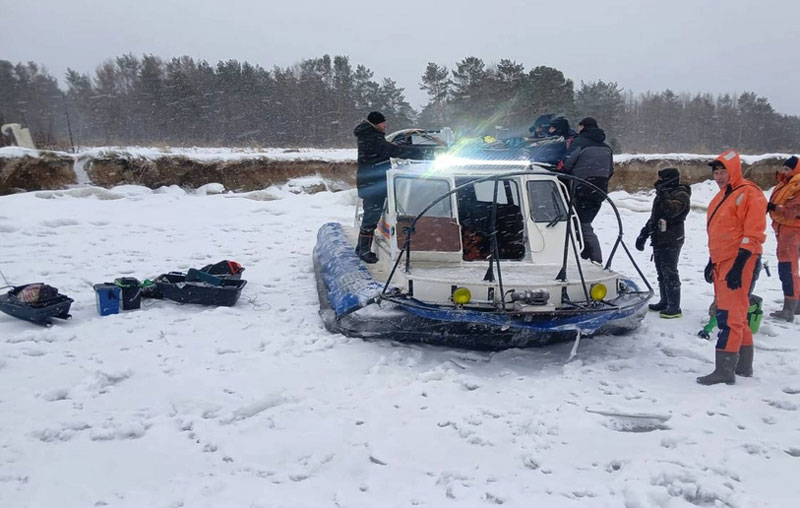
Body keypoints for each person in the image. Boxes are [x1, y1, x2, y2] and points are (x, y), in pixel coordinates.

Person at [698, 149, 766, 385]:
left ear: (733, 171)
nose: (718, 177)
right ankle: (743, 366)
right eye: (716, 173)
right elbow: (720, 232)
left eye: (723, 172)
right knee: (737, 315)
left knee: (728, 316)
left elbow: (754, 233)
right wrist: (712, 261)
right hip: (722, 260)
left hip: (740, 261)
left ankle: (724, 370)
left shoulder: (749, 193)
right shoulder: (722, 196)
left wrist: (739, 265)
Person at [353, 111, 421, 263]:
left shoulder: (370, 135)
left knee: (371, 215)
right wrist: (419, 153)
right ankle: (364, 251)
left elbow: (387, 148)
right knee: (371, 217)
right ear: (375, 124)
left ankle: (361, 247)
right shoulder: (372, 138)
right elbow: (391, 151)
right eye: (383, 123)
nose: (385, 125)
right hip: (373, 184)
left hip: (371, 183)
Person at [635, 167, 691, 318]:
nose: (658, 181)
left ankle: (674, 306)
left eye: (661, 178)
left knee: (670, 272)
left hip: (672, 238)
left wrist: (663, 194)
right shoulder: (662, 194)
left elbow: (671, 211)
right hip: (658, 237)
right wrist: (643, 234)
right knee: (661, 271)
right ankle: (664, 301)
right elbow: (655, 217)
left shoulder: (681, 194)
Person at [561, 117, 614, 263]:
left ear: (582, 127)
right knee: (585, 223)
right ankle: (586, 256)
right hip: (599, 190)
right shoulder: (606, 147)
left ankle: (593, 259)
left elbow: (567, 164)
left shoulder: (579, 143)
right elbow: (610, 170)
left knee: (582, 225)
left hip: (580, 188)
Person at [767, 155, 800, 322]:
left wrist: (773, 207)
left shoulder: (796, 185)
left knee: (788, 269)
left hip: (792, 231)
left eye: (787, 169)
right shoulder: (786, 183)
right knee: (789, 268)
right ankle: (796, 305)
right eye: (784, 168)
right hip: (784, 230)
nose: (784, 171)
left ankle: (789, 309)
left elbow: (793, 210)